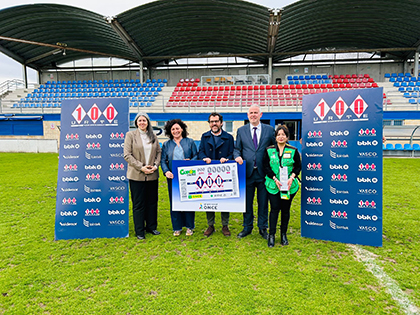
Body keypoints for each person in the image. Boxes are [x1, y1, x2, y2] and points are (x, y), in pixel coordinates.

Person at [234, 105, 275, 239]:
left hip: (264, 173)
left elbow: (274, 148)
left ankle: (263, 228)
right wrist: (237, 156)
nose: (253, 115)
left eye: (255, 113)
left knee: (263, 202)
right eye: (251, 113)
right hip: (247, 172)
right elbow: (237, 148)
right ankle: (247, 227)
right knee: (247, 202)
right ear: (247, 115)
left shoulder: (269, 130)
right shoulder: (241, 130)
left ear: (261, 114)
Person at [124, 112, 161, 240]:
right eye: (139, 120)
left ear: (148, 122)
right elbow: (127, 155)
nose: (142, 122)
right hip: (136, 175)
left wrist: (155, 166)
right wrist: (141, 167)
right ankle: (139, 231)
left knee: (152, 202)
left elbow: (158, 152)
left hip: (152, 175)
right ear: (136, 123)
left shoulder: (153, 136)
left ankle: (151, 227)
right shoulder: (130, 135)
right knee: (139, 204)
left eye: (144, 120)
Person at [263, 125, 301, 247]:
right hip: (273, 185)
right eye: (278, 134)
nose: (281, 137)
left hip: (289, 186)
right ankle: (272, 235)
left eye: (283, 134)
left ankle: (283, 234)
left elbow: (298, 166)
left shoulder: (293, 150)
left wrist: (292, 177)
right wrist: (274, 178)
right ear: (275, 136)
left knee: (285, 210)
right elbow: (265, 166)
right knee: (274, 209)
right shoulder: (269, 150)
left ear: (287, 136)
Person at [198, 112, 235, 237]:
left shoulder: (229, 137)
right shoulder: (204, 136)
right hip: (208, 173)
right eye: (212, 121)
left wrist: (227, 158)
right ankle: (210, 225)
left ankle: (225, 225)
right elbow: (201, 152)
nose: (214, 123)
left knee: (224, 197)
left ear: (221, 123)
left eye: (216, 121)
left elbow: (232, 153)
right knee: (209, 198)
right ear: (209, 123)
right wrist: (204, 158)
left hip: (223, 172)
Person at [161, 119, 198, 236]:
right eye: (173, 129)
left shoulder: (190, 142)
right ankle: (177, 227)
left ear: (182, 129)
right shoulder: (166, 144)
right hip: (173, 177)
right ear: (169, 131)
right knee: (175, 202)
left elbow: (196, 156)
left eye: (177, 128)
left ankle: (189, 226)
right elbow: (163, 160)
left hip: (188, 176)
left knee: (188, 201)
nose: (175, 131)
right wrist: (166, 171)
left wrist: (190, 162)